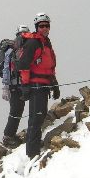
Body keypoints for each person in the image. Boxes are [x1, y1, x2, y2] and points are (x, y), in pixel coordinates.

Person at [17, 13, 59, 158]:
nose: (45, 28)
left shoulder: (46, 42)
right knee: (35, 118)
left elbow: (49, 66)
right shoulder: (33, 42)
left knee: (39, 117)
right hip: (35, 86)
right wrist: (25, 85)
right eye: (42, 26)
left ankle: (35, 146)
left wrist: (54, 84)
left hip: (44, 85)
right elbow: (23, 64)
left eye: (47, 25)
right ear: (37, 27)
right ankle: (32, 153)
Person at [1, 24, 30, 148]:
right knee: (16, 110)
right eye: (21, 34)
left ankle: (10, 135)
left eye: (25, 34)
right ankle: (8, 136)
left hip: (22, 85)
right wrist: (5, 87)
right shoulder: (11, 51)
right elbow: (6, 69)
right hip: (15, 86)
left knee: (18, 109)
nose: (23, 36)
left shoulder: (26, 48)